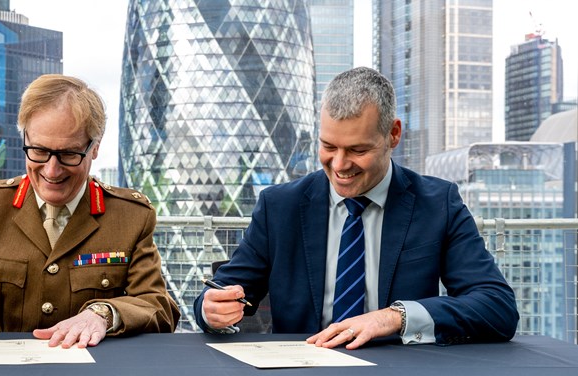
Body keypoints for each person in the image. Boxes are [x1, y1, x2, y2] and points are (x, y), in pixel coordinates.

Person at [193, 67, 519, 349]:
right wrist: (212, 311)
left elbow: (496, 306)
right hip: (300, 375)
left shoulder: (437, 203)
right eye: (328, 146)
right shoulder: (280, 206)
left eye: (357, 149)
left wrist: (396, 316)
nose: (339, 165)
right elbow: (224, 292)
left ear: (393, 134)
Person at [0, 74, 180, 348]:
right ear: (24, 141)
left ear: (94, 148)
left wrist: (104, 315)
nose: (52, 170)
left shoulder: (130, 215)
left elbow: (159, 308)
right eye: (39, 151)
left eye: (69, 154)